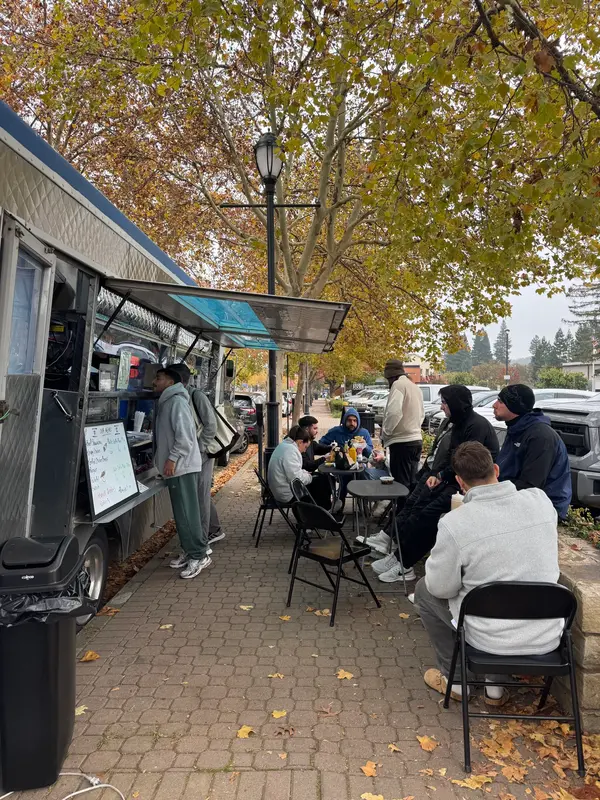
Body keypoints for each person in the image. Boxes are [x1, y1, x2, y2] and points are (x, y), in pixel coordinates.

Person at [414, 441, 562, 706]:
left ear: (460, 481)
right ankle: (494, 689)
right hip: (547, 634)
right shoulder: (540, 501)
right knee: (502, 592)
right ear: (496, 468)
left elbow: (440, 588)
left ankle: (456, 681)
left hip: (489, 638)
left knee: (425, 590)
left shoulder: (455, 523)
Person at [370, 385, 499, 583]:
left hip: (469, 484)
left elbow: (467, 461)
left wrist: (442, 476)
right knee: (414, 507)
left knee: (427, 516)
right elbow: (451, 454)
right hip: (451, 477)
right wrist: (438, 474)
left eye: (445, 403)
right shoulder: (459, 422)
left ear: (456, 404)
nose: (442, 407)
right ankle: (398, 556)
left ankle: (405, 565)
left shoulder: (476, 425)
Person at [153, 367, 211, 579]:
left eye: (158, 378)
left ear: (170, 381)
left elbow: (185, 438)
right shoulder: (170, 401)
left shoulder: (176, 402)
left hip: (182, 467)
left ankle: (199, 554)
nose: (154, 382)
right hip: (178, 467)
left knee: (188, 513)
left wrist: (172, 459)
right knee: (182, 514)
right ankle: (190, 551)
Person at [493, 384, 571, 519]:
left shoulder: (540, 436)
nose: (494, 405)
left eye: (500, 401)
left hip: (545, 506)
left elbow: (531, 485)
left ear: (514, 406)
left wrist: (492, 489)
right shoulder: (516, 428)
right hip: (515, 496)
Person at [169, 363, 225, 548]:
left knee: (199, 497)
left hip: (201, 456)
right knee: (199, 496)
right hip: (191, 455)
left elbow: (211, 425)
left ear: (177, 380)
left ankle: (202, 540)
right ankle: (214, 529)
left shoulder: (196, 396)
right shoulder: (179, 397)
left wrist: (199, 449)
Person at [380, 359, 425, 489]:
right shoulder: (415, 387)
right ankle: (410, 509)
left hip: (401, 443)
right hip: (416, 440)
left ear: (390, 376)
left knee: (400, 486)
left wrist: (386, 433)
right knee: (412, 484)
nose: (388, 382)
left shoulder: (398, 385)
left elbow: (394, 412)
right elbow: (421, 414)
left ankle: (401, 509)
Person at [319, 407, 373, 504]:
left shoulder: (364, 433)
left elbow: (370, 454)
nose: (352, 423)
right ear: (344, 420)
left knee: (362, 475)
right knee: (344, 478)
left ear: (358, 421)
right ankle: (340, 503)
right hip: (341, 466)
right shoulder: (336, 431)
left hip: (359, 466)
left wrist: (364, 446)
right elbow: (321, 443)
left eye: (354, 420)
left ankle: (362, 504)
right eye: (349, 420)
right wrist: (332, 448)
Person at [267, 425, 312, 504]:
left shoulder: (285, 445)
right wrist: (309, 477)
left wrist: (305, 473)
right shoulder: (290, 451)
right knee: (319, 484)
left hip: (280, 489)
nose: (305, 451)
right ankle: (321, 513)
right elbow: (296, 479)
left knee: (317, 481)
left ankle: (319, 512)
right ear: (300, 442)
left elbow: (294, 472)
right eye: (305, 447)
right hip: (287, 494)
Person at [298, 415, 332, 508]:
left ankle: (326, 508)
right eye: (315, 428)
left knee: (329, 478)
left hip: (305, 476)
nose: (317, 431)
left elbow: (319, 448)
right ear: (306, 429)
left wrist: (332, 448)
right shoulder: (300, 443)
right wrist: (324, 458)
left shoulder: (309, 441)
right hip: (301, 480)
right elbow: (307, 465)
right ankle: (322, 510)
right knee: (324, 480)